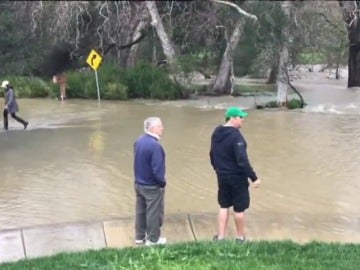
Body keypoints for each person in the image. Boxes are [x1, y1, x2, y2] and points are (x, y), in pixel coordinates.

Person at [210, 107, 261, 242]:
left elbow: (212, 154)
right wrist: (254, 178)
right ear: (232, 118)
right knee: (239, 209)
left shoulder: (216, 133)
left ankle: (220, 237)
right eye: (240, 117)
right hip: (237, 178)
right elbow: (242, 160)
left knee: (224, 205)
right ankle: (240, 237)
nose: (243, 120)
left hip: (222, 176)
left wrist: (218, 169)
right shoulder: (236, 135)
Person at [133, 116, 167, 246]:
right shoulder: (155, 146)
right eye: (160, 126)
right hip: (151, 186)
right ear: (152, 128)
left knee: (140, 211)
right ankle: (153, 239)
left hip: (138, 183)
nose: (162, 128)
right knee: (153, 212)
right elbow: (157, 170)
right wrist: (162, 183)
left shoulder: (139, 141)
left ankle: (139, 236)